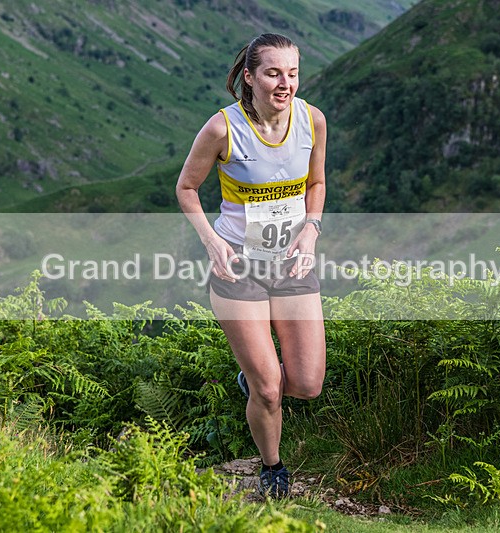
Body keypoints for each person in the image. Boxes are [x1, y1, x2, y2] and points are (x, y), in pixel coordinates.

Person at [175, 33, 327, 499]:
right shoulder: (224, 128)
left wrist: (311, 229)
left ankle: (257, 376)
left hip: (291, 266)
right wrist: (211, 244)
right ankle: (273, 467)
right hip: (237, 267)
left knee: (305, 385)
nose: (285, 84)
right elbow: (186, 188)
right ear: (250, 76)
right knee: (269, 390)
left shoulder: (312, 121)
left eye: (293, 74)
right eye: (273, 73)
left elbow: (316, 183)